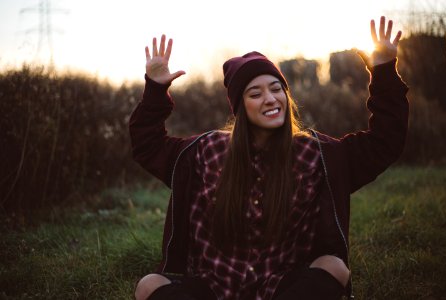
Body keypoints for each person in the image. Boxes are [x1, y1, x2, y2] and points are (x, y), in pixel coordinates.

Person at [130, 16, 408, 300]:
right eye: (256, 93)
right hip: (215, 289)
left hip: (281, 289)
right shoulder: (209, 151)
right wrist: (155, 88)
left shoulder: (314, 154)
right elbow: (147, 145)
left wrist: (384, 71)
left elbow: (385, 142)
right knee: (148, 285)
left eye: (277, 89)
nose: (270, 99)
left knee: (334, 267)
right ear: (241, 106)